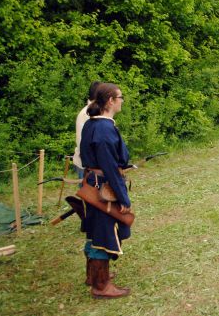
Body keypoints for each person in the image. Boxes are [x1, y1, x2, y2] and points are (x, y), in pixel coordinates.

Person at [80, 83, 132, 299]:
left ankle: (94, 276)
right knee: (104, 234)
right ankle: (101, 286)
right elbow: (110, 167)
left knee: (97, 231)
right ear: (110, 100)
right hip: (102, 188)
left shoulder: (93, 124)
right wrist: (123, 197)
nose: (122, 101)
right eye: (120, 97)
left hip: (92, 183)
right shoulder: (102, 129)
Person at [73, 81, 101, 179]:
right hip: (86, 166)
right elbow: (82, 142)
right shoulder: (87, 113)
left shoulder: (95, 111)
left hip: (93, 165)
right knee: (88, 193)